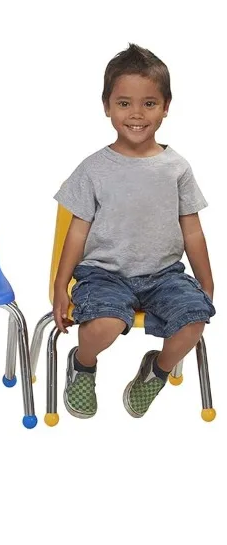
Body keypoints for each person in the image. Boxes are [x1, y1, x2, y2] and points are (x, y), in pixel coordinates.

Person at [53, 43, 215, 419]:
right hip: (103, 274)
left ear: (166, 106)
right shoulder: (94, 168)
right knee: (105, 324)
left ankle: (155, 372)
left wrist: (206, 283)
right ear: (107, 106)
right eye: (124, 103)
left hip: (164, 275)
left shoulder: (177, 167)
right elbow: (76, 234)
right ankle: (83, 365)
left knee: (195, 320)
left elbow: (192, 231)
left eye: (149, 103)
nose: (137, 114)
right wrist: (61, 287)